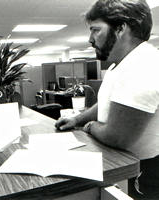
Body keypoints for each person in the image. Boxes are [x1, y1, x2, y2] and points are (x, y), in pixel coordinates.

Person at [55, 0, 159, 199]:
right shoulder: (120, 65)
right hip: (123, 164)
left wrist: (90, 126)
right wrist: (78, 119)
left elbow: (116, 137)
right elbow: (107, 102)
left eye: (95, 30)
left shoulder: (143, 67)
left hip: (143, 174)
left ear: (121, 28)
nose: (90, 39)